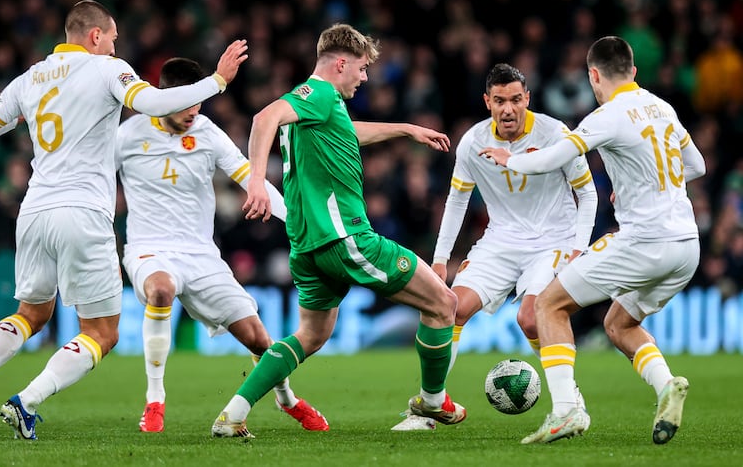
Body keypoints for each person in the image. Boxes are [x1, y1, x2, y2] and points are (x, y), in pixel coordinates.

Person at [0, 0, 248, 440]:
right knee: (102, 332)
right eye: (113, 38)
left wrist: (20, 118)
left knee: (30, 312)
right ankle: (25, 401)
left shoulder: (31, 77)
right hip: (82, 212)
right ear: (95, 36)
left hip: (33, 213)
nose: (115, 45)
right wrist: (217, 82)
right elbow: (155, 101)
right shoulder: (106, 69)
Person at [211, 23, 463, 438]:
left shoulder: (322, 108)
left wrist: (405, 129)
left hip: (307, 248)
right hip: (345, 238)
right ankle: (433, 401)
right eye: (362, 69)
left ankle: (232, 414)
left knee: (311, 334)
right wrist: (256, 179)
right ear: (341, 63)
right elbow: (263, 116)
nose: (364, 78)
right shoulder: (319, 94)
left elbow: (348, 132)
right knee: (443, 303)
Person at [480, 36, 706, 444]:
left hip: (646, 241)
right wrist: (648, 185)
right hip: (687, 245)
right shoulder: (664, 108)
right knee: (619, 324)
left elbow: (555, 156)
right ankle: (667, 385)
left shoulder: (610, 114)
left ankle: (566, 410)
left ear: (594, 75)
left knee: (549, 304)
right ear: (633, 72)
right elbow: (697, 165)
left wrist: (511, 158)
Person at [116, 57, 328, 433]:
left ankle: (287, 400)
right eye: (187, 102)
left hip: (201, 255)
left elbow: (250, 177)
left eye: (200, 102)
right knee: (161, 289)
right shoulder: (127, 136)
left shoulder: (208, 133)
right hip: (149, 247)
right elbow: (85, 165)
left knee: (259, 339)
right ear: (163, 98)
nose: (194, 111)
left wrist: (295, 221)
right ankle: (154, 400)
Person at [393, 63, 598, 431]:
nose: (509, 109)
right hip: (500, 241)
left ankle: (570, 400)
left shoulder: (556, 134)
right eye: (500, 100)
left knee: (531, 319)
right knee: (450, 307)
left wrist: (577, 249)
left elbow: (587, 193)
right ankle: (430, 406)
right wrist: (440, 260)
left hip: (553, 240)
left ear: (527, 99)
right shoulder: (473, 142)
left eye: (516, 100)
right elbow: (457, 201)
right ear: (487, 101)